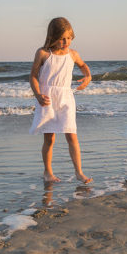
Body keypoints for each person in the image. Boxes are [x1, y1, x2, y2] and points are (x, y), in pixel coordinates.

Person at [30, 17, 93, 184]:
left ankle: (79, 172)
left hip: (66, 99)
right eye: (62, 38)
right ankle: (48, 172)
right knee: (49, 138)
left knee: (72, 135)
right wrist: (37, 94)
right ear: (52, 36)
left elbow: (83, 65)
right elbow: (33, 76)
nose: (66, 42)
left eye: (69, 38)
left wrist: (88, 76)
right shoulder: (43, 53)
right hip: (48, 99)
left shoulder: (73, 54)